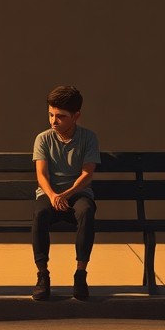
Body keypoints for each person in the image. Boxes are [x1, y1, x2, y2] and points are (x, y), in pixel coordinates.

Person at [31, 84, 99, 300]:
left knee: (86, 211)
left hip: (77, 194)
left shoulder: (88, 138)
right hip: (49, 194)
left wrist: (66, 194)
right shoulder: (43, 138)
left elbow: (87, 174)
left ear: (76, 116)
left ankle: (80, 274)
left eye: (60, 116)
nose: (53, 121)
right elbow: (42, 175)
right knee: (40, 214)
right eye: (51, 114)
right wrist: (53, 196)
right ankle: (43, 275)